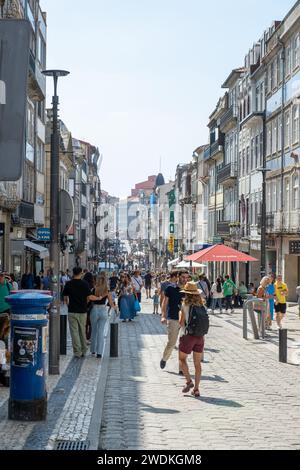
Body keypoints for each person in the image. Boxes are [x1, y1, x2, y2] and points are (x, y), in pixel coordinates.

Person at [63, 267, 99, 358]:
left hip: (72, 311)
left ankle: (77, 352)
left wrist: (68, 304)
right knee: (82, 331)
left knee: (74, 332)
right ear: (81, 273)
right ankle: (84, 350)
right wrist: (98, 298)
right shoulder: (85, 284)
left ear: (73, 273)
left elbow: (65, 297)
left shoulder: (68, 284)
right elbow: (89, 297)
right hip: (82, 311)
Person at [179, 282, 207, 398]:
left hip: (188, 336)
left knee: (182, 359)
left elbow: (181, 323)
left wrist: (180, 314)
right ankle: (196, 389)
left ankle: (189, 381)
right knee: (197, 363)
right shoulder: (202, 305)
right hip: (200, 337)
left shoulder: (185, 305)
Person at [160, 270, 190, 371]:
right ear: (178, 277)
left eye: (187, 278)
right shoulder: (170, 288)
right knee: (172, 343)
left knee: (184, 344)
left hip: (186, 320)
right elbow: (165, 302)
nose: (185, 280)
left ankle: (181, 368)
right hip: (173, 318)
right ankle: (164, 358)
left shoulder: (189, 290)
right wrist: (163, 316)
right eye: (183, 277)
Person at [90, 273, 117, 358]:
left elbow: (88, 299)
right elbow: (111, 304)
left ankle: (93, 350)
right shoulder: (107, 292)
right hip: (103, 311)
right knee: (101, 332)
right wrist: (115, 308)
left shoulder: (93, 290)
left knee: (94, 330)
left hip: (94, 310)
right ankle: (99, 353)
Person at [0, 273, 12, 349]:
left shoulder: (8, 286)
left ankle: (4, 350)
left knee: (4, 333)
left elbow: (13, 297)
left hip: (6, 312)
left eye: (1, 277)